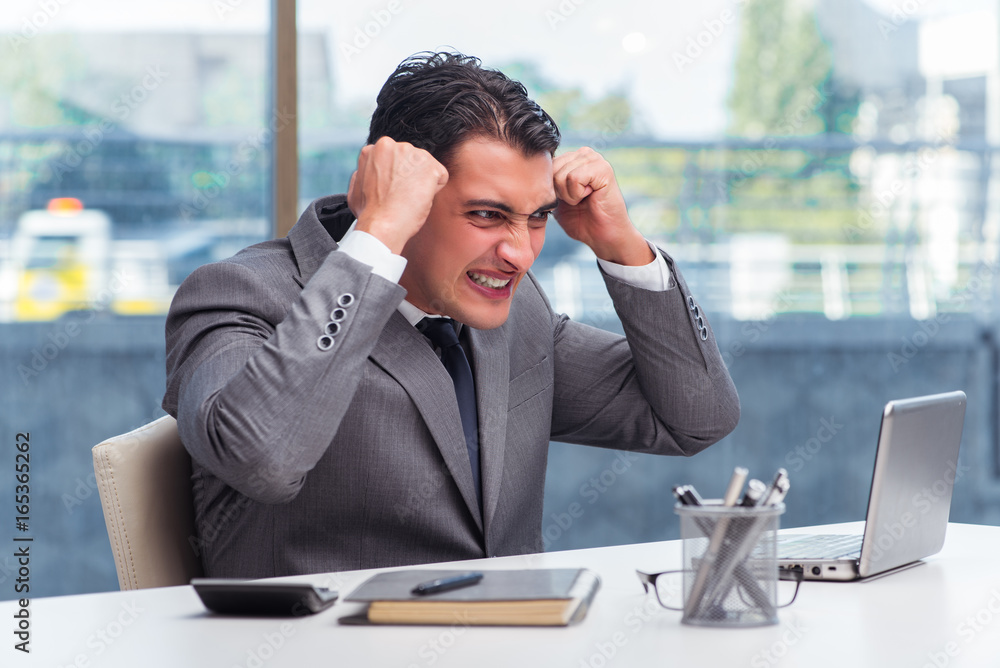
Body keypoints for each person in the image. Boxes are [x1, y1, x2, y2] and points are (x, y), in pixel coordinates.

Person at [162, 51, 739, 579]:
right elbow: (264, 460)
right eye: (488, 215)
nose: (521, 253)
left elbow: (695, 417)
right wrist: (378, 235)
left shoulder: (515, 315)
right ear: (401, 195)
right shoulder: (237, 294)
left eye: (536, 216)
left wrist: (623, 248)